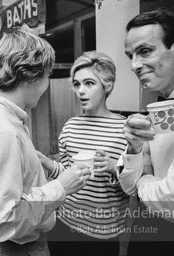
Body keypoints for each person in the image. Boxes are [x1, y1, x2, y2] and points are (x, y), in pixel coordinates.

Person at [0, 27, 91, 256]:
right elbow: (0, 220)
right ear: (31, 74)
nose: (47, 84)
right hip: (13, 248)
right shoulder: (3, 131)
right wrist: (61, 186)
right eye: (48, 75)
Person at [118, 8, 174, 255]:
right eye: (130, 55)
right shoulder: (161, 105)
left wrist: (145, 179)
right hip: (155, 230)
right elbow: (126, 184)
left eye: (144, 51)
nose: (134, 66)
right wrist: (133, 148)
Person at [37, 51, 132, 256]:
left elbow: (132, 185)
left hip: (102, 233)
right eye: (77, 84)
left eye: (89, 83)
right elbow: (68, 172)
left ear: (107, 85)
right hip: (64, 224)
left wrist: (114, 168)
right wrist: (47, 162)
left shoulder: (125, 130)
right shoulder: (70, 126)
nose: (81, 91)